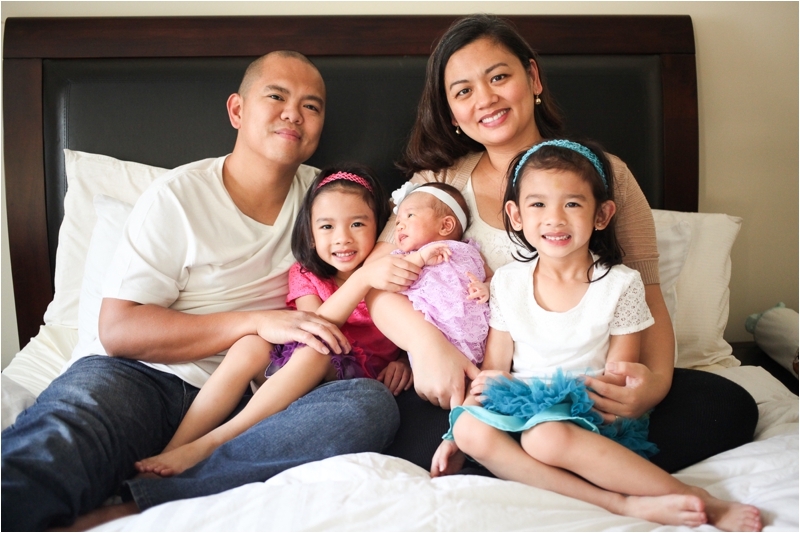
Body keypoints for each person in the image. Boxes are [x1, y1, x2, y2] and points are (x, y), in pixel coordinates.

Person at [1, 52, 402, 531]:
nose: (294, 113)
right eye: (276, 96)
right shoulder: (178, 196)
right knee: (59, 440)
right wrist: (257, 322)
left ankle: (139, 503)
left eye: (311, 106)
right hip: (143, 379)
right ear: (237, 110)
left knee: (369, 406)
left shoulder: (330, 201)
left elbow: (415, 226)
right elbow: (119, 329)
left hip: (259, 394)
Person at [368, 14, 758, 474]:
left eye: (498, 77)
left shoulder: (602, 173)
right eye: (463, 91)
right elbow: (377, 286)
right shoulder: (436, 185)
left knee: (726, 405)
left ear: (532, 78)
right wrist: (428, 346)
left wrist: (651, 386)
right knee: (404, 424)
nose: (486, 99)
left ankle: (532, 462)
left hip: (582, 388)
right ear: (451, 112)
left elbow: (646, 295)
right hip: (480, 387)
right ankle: (569, 465)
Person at [430, 139, 761, 532]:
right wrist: (456, 430)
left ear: (601, 215)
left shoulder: (620, 284)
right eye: (538, 204)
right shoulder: (506, 281)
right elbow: (494, 372)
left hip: (584, 405)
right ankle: (618, 504)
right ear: (515, 215)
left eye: (572, 204)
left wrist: (592, 403)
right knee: (469, 429)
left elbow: (618, 375)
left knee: (543, 438)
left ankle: (698, 498)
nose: (554, 219)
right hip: (519, 403)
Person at [134, 165, 412, 478]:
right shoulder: (307, 275)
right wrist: (361, 280)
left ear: (380, 228)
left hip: (345, 387)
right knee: (251, 345)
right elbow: (317, 325)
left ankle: (214, 442)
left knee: (318, 352)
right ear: (310, 235)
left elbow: (424, 323)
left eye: (357, 224)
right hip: (293, 372)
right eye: (327, 227)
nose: (342, 238)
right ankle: (176, 447)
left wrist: (405, 360)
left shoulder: (390, 275)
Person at [390, 182, 491, 366]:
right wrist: (420, 258)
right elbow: (393, 279)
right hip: (431, 341)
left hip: (475, 337)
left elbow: (492, 277)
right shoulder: (406, 257)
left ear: (446, 225)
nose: (399, 226)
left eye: (410, 215)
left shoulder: (469, 251)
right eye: (397, 222)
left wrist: (486, 287)